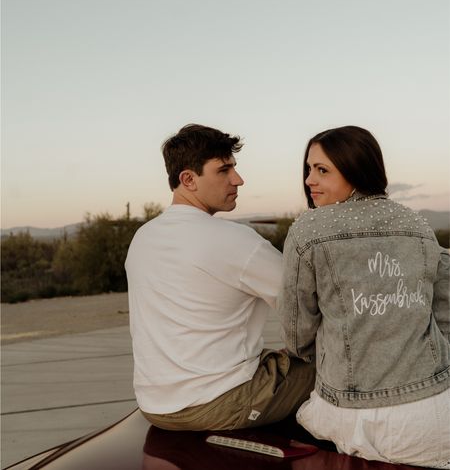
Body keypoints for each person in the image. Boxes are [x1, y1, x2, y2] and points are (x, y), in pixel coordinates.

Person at [277, 125, 450, 468]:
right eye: (309, 169)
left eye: (322, 170)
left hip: (354, 417)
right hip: (435, 410)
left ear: (356, 169)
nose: (310, 180)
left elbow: (297, 333)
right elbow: (444, 313)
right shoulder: (418, 225)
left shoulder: (308, 230)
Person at [125, 124, 315, 432]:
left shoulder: (142, 238)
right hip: (220, 404)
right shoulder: (234, 240)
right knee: (336, 362)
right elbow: (306, 305)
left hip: (156, 406)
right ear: (188, 179)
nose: (238, 180)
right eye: (224, 170)